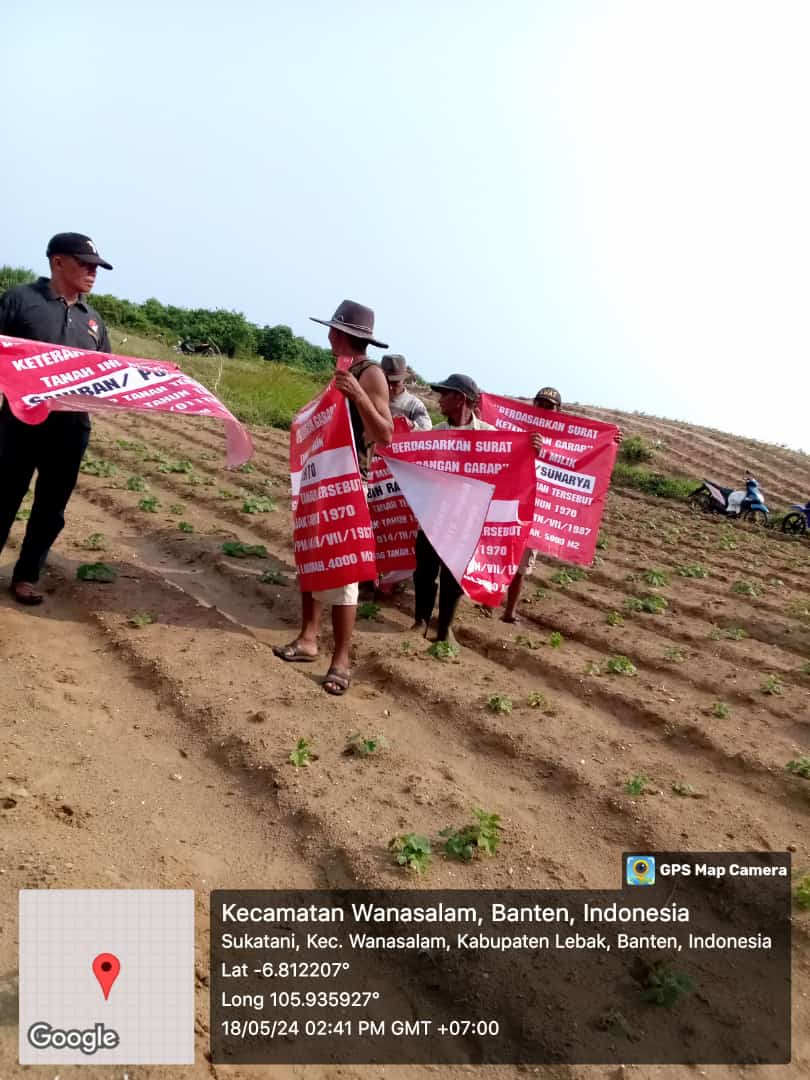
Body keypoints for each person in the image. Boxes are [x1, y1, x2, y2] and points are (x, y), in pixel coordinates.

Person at [272, 300, 393, 695]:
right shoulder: (341, 371)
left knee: (342, 567)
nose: (327, 335)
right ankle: (307, 638)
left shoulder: (370, 374)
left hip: (347, 481)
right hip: (322, 477)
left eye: (333, 330)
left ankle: (340, 659)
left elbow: (384, 433)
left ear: (345, 335)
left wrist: (358, 395)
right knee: (312, 553)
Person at [0, 232, 113, 605]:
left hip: (70, 430)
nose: (92, 273)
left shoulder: (93, 320)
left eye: (96, 267)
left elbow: (107, 375)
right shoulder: (20, 302)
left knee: (51, 509)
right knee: (4, 496)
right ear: (57, 262)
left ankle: (27, 576)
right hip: (19, 424)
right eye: (85, 264)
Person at [501, 386, 622, 623]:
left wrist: (610, 441)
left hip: (538, 509)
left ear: (558, 410)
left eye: (549, 406)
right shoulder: (519, 426)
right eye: (540, 404)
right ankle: (486, 599)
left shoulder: (565, 438)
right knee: (496, 551)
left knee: (522, 565)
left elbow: (588, 452)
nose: (543, 409)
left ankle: (509, 612)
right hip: (510, 499)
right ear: (533, 404)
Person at [411, 374, 501, 643]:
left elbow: (508, 465)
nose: (440, 400)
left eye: (445, 394)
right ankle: (421, 621)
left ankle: (445, 627)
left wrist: (531, 449)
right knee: (424, 572)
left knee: (453, 576)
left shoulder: (490, 436)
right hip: (433, 516)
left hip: (466, 520)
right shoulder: (436, 434)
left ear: (460, 399)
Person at [381, 354, 432, 430]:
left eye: (396, 382)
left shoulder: (414, 405)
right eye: (388, 382)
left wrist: (411, 425)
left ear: (403, 379)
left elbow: (426, 429)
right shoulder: (372, 399)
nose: (391, 386)